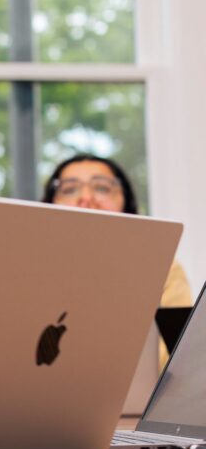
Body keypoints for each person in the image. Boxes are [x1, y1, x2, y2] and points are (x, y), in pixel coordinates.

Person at [42, 153, 192, 369]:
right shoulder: (25, 272)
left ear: (126, 203)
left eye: (102, 188)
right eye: (69, 189)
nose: (86, 198)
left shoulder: (164, 269)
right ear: (49, 204)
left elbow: (175, 363)